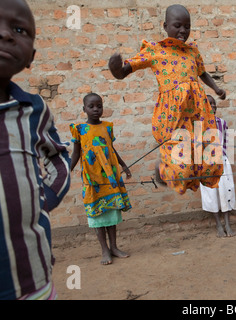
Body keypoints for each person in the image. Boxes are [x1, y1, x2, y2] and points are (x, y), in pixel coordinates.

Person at [108, 4, 226, 195]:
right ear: (165, 26)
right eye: (178, 25)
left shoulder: (192, 51)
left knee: (201, 145)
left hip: (196, 107)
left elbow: (202, 73)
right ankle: (163, 168)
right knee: (176, 145)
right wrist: (116, 70)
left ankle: (196, 176)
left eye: (187, 27)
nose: (183, 31)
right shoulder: (155, 50)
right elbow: (125, 71)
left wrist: (216, 88)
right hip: (172, 109)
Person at [0, 0, 71, 300]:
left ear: (31, 57)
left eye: (19, 29)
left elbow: (58, 158)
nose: (6, 35)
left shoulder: (34, 110)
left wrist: (46, 198)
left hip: (31, 282)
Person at [70, 93, 132, 265]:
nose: (96, 109)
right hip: (92, 180)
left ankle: (114, 247)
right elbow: (75, 154)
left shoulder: (107, 127)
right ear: (84, 109)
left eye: (99, 106)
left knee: (111, 213)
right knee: (97, 216)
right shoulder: (79, 129)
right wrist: (66, 171)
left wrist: (124, 165)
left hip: (110, 179)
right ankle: (104, 250)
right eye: (91, 106)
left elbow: (111, 149)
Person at [200, 95, 236, 237]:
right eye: (209, 104)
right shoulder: (199, 125)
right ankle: (219, 225)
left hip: (222, 162)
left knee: (226, 191)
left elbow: (225, 142)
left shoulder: (222, 122)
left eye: (214, 104)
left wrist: (223, 157)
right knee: (211, 194)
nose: (213, 106)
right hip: (206, 165)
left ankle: (227, 223)